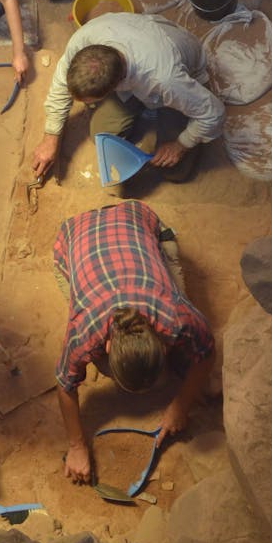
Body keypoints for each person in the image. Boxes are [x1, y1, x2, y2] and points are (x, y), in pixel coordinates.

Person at [53, 199, 215, 484]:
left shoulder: (175, 316)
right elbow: (64, 386)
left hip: (136, 215)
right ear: (105, 347)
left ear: (164, 343)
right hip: (72, 235)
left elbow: (208, 350)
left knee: (175, 275)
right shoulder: (84, 332)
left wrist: (181, 404)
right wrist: (76, 446)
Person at [32, 12, 226, 183]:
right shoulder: (84, 40)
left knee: (175, 171)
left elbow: (214, 113)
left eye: (92, 100)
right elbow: (61, 84)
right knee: (101, 134)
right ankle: (143, 109)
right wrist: (51, 137)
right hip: (142, 50)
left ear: (114, 86)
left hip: (176, 62)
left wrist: (181, 144)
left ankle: (160, 116)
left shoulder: (164, 79)